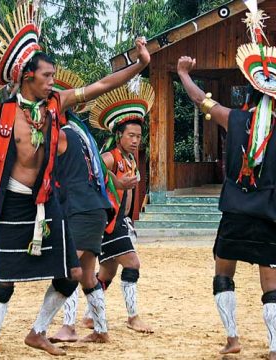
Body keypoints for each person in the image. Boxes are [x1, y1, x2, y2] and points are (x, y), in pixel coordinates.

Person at [0, 3, 150, 358]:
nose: (51, 81)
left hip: (48, 202)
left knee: (71, 272)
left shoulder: (56, 105)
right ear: (28, 77)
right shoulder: (1, 115)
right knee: (4, 279)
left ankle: (37, 331)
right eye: (46, 76)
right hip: (13, 203)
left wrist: (141, 64)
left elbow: (102, 84)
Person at [176, 7, 276, 359]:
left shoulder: (233, 119)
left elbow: (200, 99)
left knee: (223, 271)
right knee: (271, 283)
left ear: (249, 95)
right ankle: (275, 346)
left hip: (235, 209)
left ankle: (233, 339)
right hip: (269, 212)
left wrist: (184, 73)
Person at [52, 82, 155, 342]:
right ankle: (131, 317)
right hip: (107, 219)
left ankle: (91, 319)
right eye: (130, 135)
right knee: (131, 263)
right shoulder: (110, 156)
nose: (135, 140)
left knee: (103, 272)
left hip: (118, 220)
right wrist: (117, 184)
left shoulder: (131, 159)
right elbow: (96, 168)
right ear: (119, 135)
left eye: (138, 136)